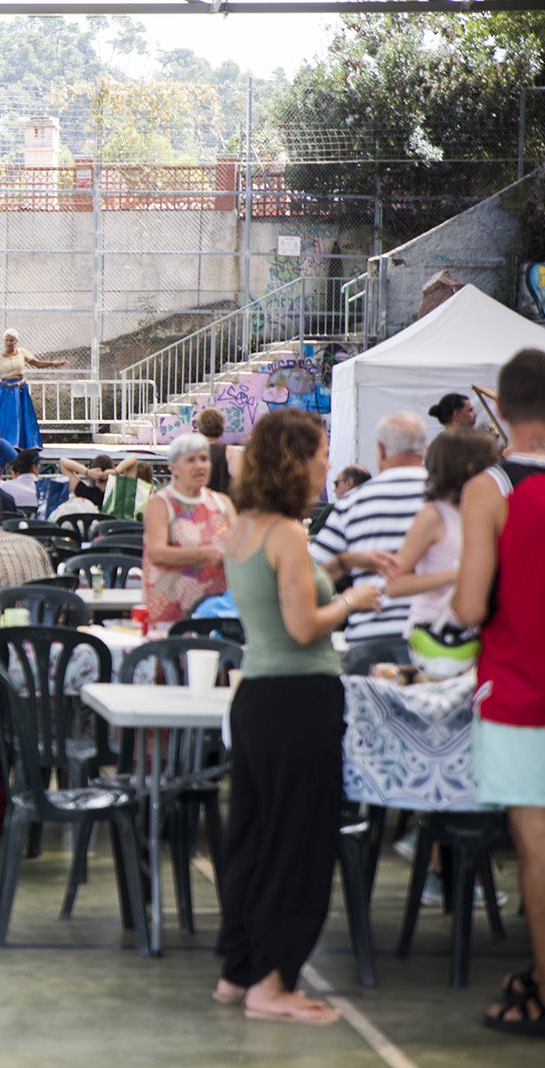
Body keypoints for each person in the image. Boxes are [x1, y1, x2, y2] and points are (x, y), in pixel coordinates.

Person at [215, 407, 382, 1026]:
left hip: (259, 696)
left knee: (253, 838)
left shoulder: (246, 526)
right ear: (296, 460)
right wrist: (352, 598)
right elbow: (304, 623)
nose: (326, 466)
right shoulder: (287, 531)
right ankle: (274, 980)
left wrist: (339, 566)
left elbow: (276, 592)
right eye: (320, 455)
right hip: (299, 700)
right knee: (299, 844)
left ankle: (239, 971)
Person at [449, 350, 545, 1037]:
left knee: (537, 845)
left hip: (520, 688)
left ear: (501, 410)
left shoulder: (493, 488)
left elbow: (469, 604)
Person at [310, 411, 426, 645]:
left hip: (369, 637)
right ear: (424, 449)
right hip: (437, 641)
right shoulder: (453, 498)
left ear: (381, 450)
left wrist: (346, 566)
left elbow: (309, 572)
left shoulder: (352, 502)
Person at [383, 429, 498, 631]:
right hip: (438, 634)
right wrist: (458, 575)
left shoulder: (485, 511)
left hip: (478, 632)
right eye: (490, 463)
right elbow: (395, 585)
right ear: (470, 468)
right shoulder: (433, 516)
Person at [142, 432, 234, 626]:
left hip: (215, 611)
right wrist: (205, 554)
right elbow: (156, 553)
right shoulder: (161, 503)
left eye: (204, 459)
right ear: (173, 467)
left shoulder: (221, 502)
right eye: (191, 460)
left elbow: (242, 544)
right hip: (171, 610)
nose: (199, 465)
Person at [0, 328, 67, 449]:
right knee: (3, 416)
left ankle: (23, 443)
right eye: (7, 340)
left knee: (22, 416)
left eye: (12, 340)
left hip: (20, 389)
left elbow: (37, 363)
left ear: (16, 341)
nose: (9, 343)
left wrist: (53, 363)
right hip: (5, 390)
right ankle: (1, 442)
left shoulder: (22, 352)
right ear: (4, 341)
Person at [309, 464, 372, 536]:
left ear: (349, 483)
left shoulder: (335, 509)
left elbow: (311, 536)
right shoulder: (374, 509)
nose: (334, 490)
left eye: (336, 484)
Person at [196, 409, 243, 495]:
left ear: (199, 428)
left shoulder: (191, 453)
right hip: (223, 504)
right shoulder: (230, 452)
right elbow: (241, 480)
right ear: (221, 428)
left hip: (198, 504)